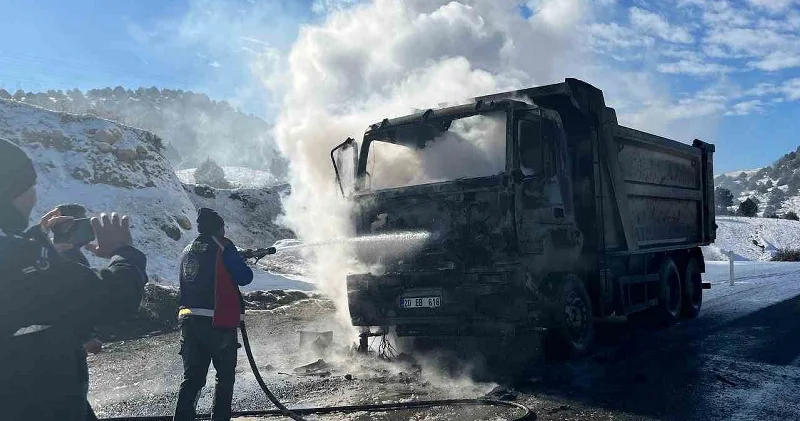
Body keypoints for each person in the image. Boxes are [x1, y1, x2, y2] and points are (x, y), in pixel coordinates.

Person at [0, 138, 148, 421]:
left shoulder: (26, 253)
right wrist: (125, 253)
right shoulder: (23, 258)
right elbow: (110, 297)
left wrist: (36, 242)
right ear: (10, 192)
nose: (33, 197)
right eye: (28, 187)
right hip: (37, 400)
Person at [173, 208, 253, 421]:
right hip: (217, 321)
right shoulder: (223, 246)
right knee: (225, 377)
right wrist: (239, 261)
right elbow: (245, 277)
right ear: (219, 228)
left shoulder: (188, 249)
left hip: (188, 321)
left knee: (192, 378)